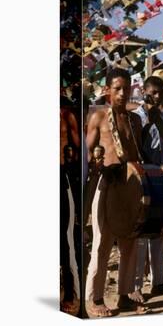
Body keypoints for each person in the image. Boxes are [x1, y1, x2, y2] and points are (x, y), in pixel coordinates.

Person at [84, 68, 146, 317]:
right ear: (108, 90)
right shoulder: (98, 117)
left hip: (129, 189)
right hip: (106, 185)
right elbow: (89, 153)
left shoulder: (135, 120)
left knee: (129, 243)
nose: (122, 93)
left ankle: (125, 295)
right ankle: (94, 299)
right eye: (117, 88)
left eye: (126, 88)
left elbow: (137, 154)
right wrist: (96, 164)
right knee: (102, 245)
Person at [131, 76, 163, 302]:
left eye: (160, 92)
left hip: (161, 175)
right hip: (143, 177)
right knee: (141, 234)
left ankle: (159, 283)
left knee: (158, 231)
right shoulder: (137, 117)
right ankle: (136, 286)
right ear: (144, 92)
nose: (157, 96)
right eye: (153, 92)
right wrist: (149, 119)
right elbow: (136, 144)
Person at [60, 105, 81, 315]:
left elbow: (75, 153)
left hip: (60, 178)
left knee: (62, 238)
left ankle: (68, 292)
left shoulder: (65, 114)